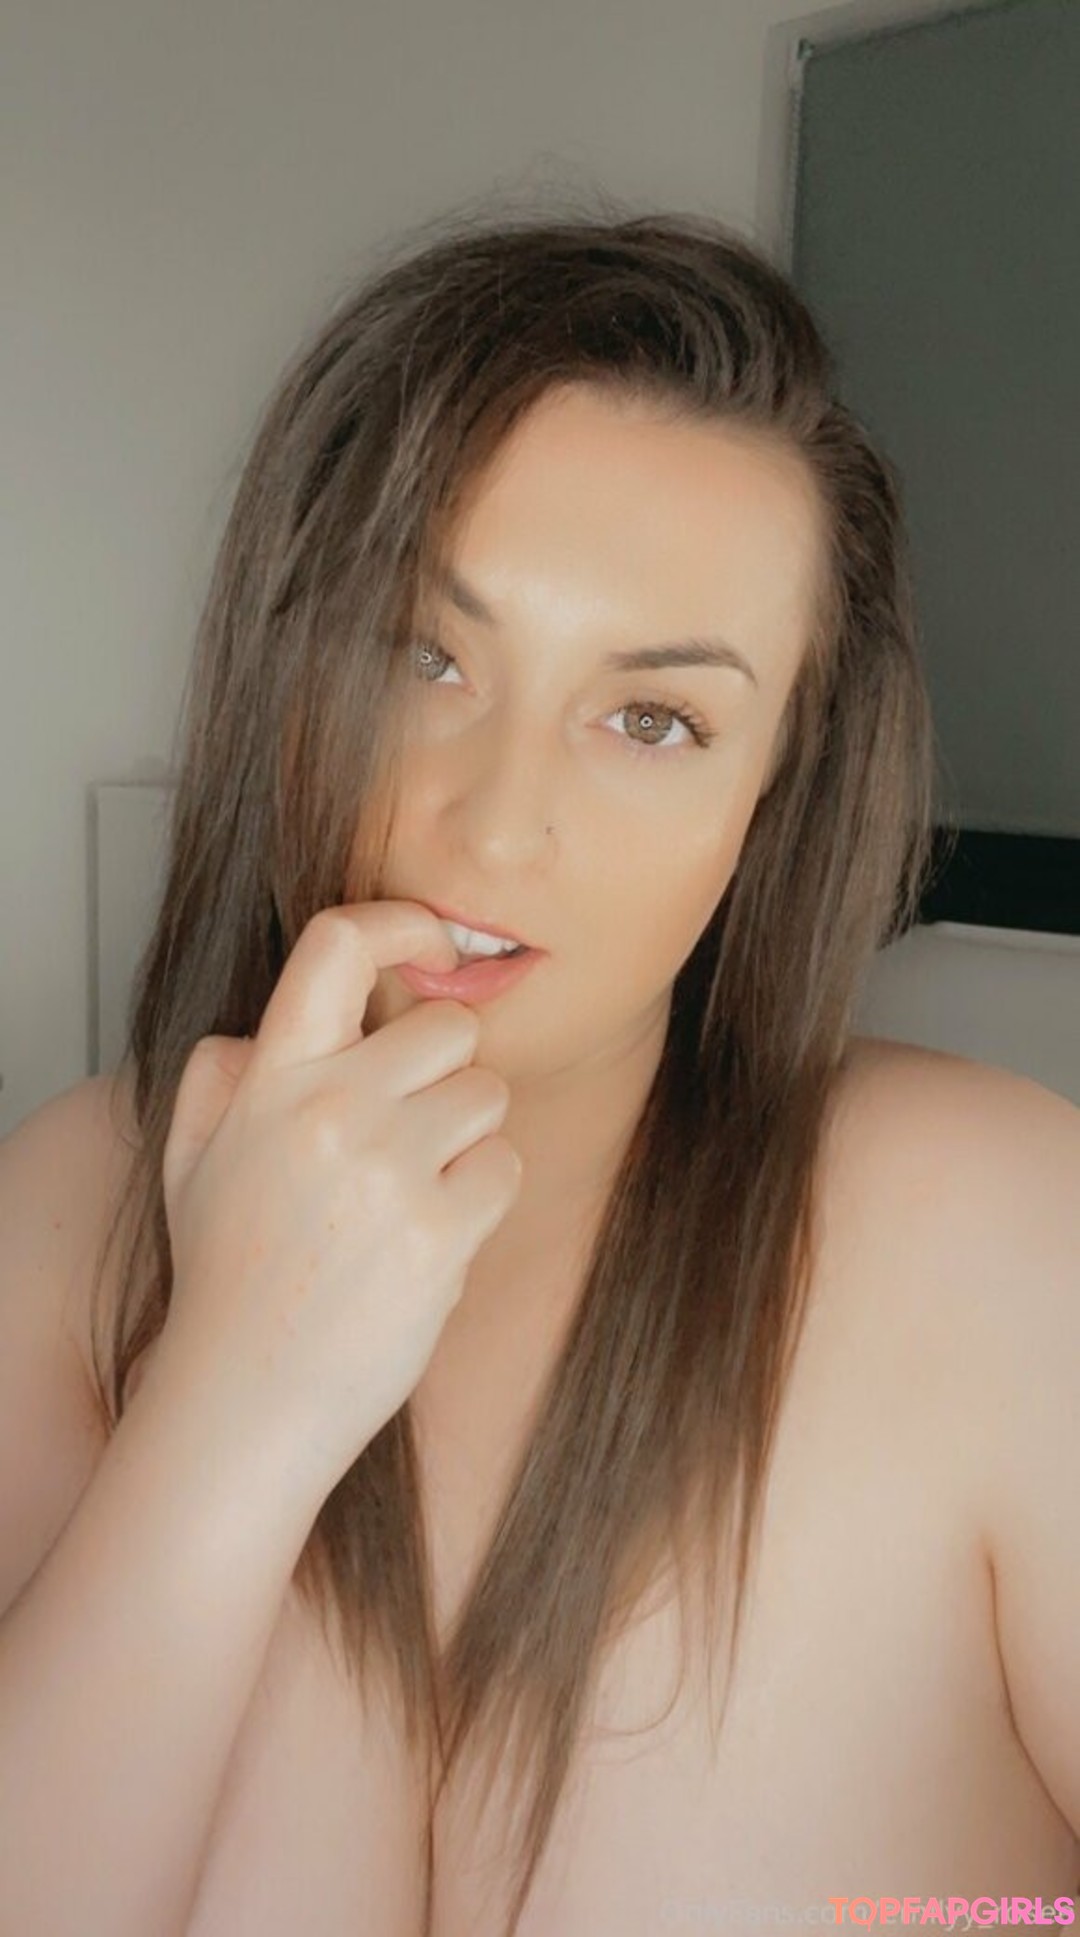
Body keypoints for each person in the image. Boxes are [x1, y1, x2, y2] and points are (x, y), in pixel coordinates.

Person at [0, 202, 1076, 1937]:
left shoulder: (1002, 1234)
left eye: (653, 718)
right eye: (422, 653)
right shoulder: (73, 1212)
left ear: (771, 800)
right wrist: (228, 1406)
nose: (496, 824)